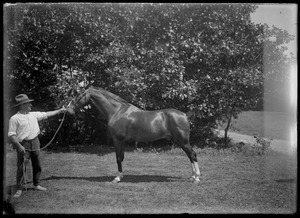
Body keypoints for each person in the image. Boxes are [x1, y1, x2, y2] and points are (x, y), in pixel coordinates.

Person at [8, 94, 67, 198]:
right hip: (23, 144)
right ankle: (19, 188)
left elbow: (47, 114)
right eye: (28, 103)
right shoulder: (14, 118)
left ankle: (37, 185)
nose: (31, 104)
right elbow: (12, 135)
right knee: (22, 167)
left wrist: (60, 110)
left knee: (37, 165)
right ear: (22, 105)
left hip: (35, 142)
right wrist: (19, 146)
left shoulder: (33, 114)